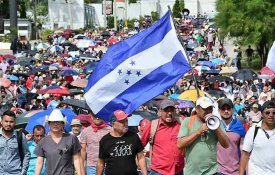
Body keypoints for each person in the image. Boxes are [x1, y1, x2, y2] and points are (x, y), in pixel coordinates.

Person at [177, 96, 229, 175]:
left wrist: (216, 127)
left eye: (210, 108)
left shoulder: (217, 121)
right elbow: (180, 144)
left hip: (212, 172)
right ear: (197, 109)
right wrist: (198, 132)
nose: (208, 111)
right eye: (205, 109)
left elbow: (226, 144)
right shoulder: (188, 121)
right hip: (192, 172)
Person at [96, 110, 147, 175]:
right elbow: (100, 163)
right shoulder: (105, 140)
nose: (126, 124)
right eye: (122, 122)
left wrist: (145, 174)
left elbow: (141, 157)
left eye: (126, 120)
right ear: (113, 124)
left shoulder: (133, 136)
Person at [141, 99, 184, 175]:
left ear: (175, 111)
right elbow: (139, 147)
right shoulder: (152, 125)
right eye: (166, 110)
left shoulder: (181, 123)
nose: (169, 113)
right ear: (160, 112)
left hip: (178, 170)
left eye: (172, 110)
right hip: (158, 171)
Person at [34, 109, 83, 175]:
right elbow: (39, 162)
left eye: (58, 122)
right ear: (49, 124)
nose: (55, 124)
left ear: (63, 124)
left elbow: (77, 159)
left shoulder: (72, 138)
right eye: (53, 122)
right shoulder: (43, 141)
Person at [240, 101, 275, 175]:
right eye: (267, 113)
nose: (271, 115)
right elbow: (245, 154)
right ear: (262, 114)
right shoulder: (253, 131)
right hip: (255, 172)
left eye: (274, 113)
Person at [217, 98, 246, 175]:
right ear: (219, 111)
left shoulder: (239, 127)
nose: (226, 111)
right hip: (217, 171)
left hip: (235, 171)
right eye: (223, 109)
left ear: (233, 110)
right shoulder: (214, 126)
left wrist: (242, 170)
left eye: (228, 108)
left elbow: (243, 151)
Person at [0, 110, 31, 175]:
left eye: (11, 122)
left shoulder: (20, 136)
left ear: (15, 122)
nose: (8, 124)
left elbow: (26, 154)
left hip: (16, 172)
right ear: (1, 122)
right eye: (6, 121)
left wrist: (23, 171)